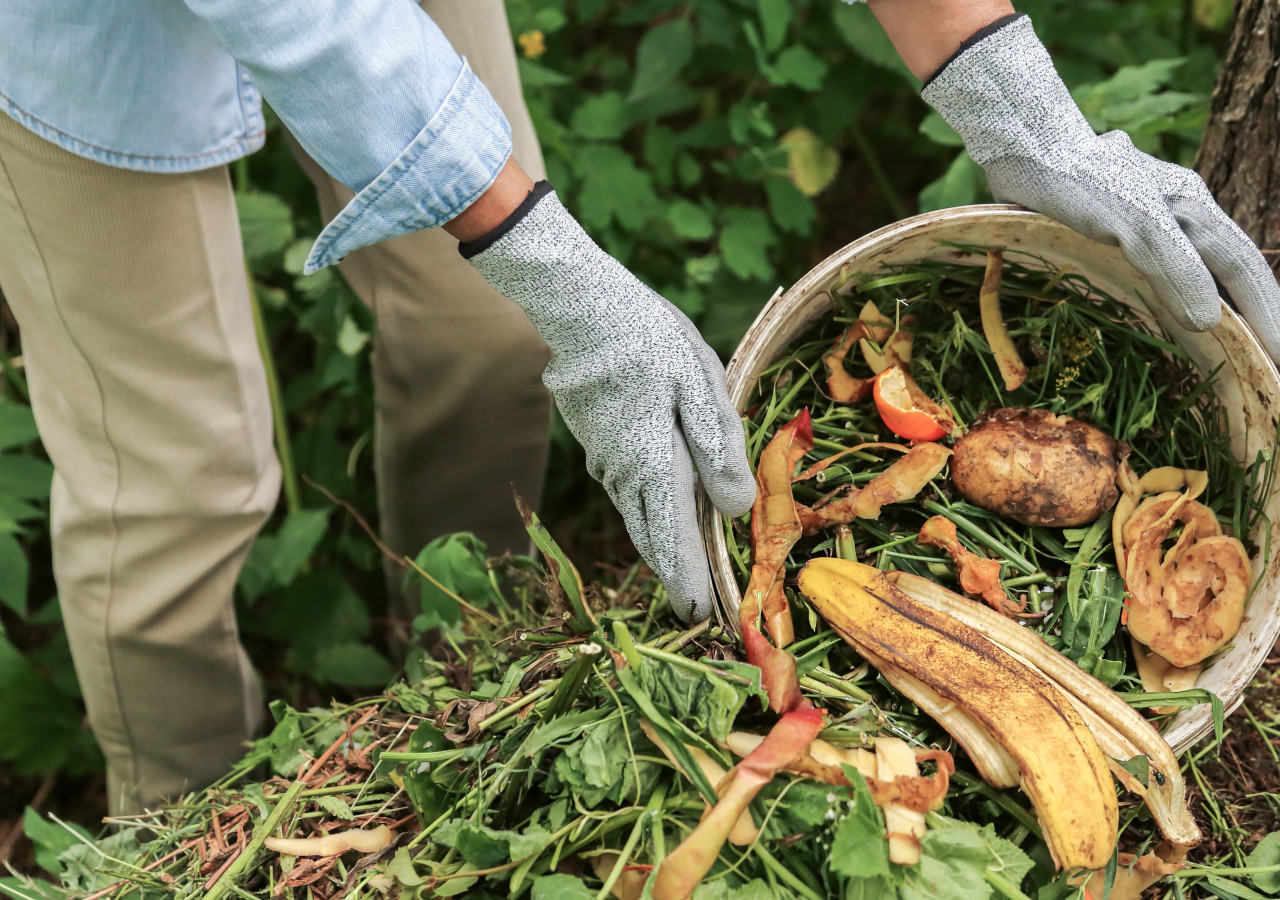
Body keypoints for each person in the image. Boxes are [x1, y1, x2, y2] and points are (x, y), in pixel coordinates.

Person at [1, 0, 1275, 817]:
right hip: (82, 32)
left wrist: (1004, 91)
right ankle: (192, 820)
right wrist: (545, 254)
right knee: (179, 472)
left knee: (483, 334)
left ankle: (452, 686)